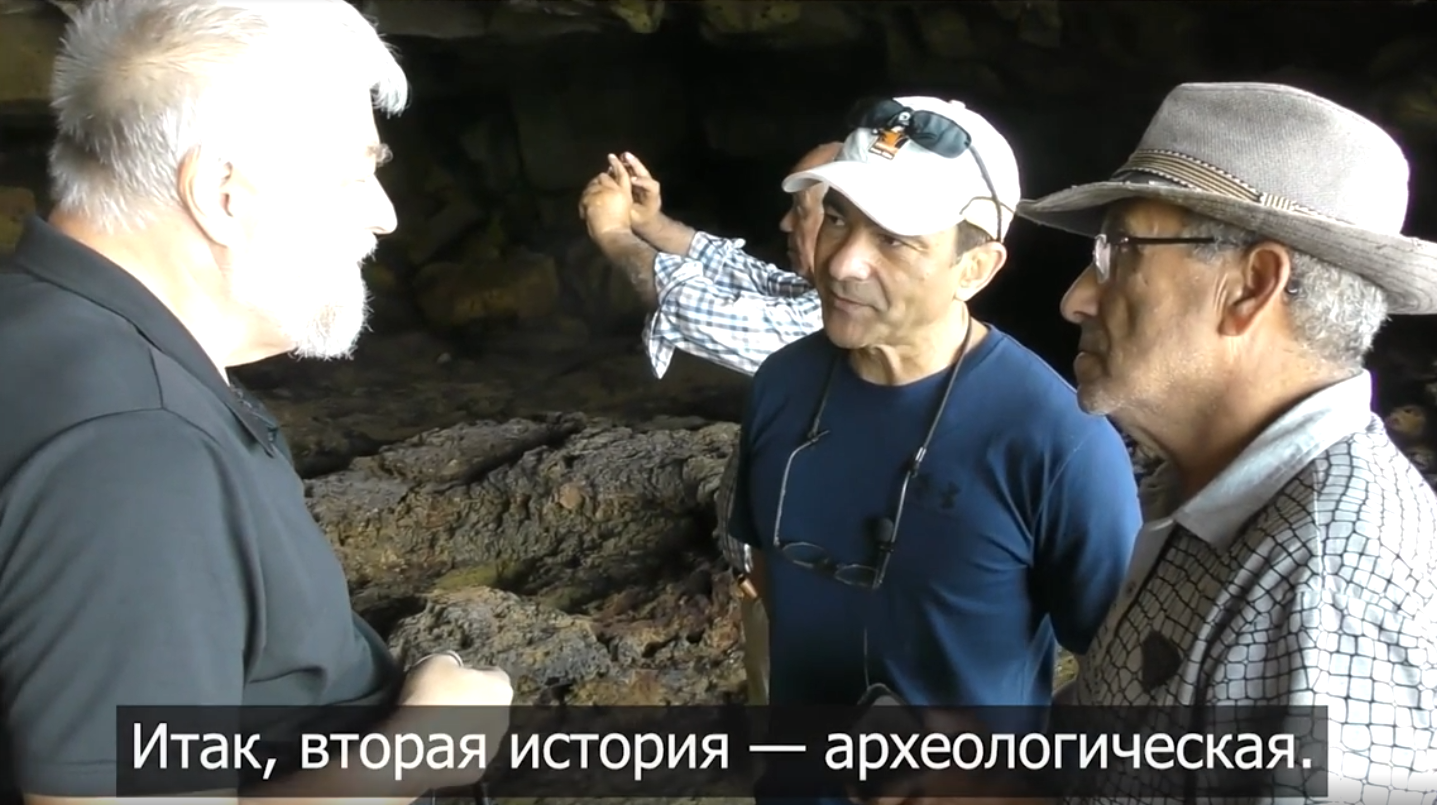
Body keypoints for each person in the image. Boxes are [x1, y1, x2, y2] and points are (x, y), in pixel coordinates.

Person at [0, 1, 512, 803]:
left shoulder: (40, 320)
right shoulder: (136, 450)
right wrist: (417, 755)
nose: (384, 214)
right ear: (221, 192)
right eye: (355, 172)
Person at [1017, 81, 1437, 803]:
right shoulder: (1207, 488)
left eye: (1118, 249)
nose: (1075, 298)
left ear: (1251, 286)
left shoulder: (1326, 591)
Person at [728, 93, 1142, 801]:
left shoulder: (1055, 441)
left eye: (894, 238)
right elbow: (766, 576)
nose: (843, 262)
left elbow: (1129, 685)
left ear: (974, 269)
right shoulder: (780, 384)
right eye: (836, 218)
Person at [577, 142, 841, 706]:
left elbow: (703, 312)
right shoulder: (829, 296)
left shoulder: (835, 327)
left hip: (812, 603)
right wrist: (654, 224)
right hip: (785, 583)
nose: (784, 221)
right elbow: (752, 278)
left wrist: (616, 236)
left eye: (804, 208)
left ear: (850, 223)